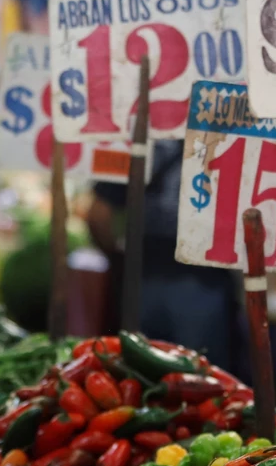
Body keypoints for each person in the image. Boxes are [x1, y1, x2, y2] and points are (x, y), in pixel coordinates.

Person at [87, 137, 247, 377]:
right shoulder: (229, 136)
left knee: (141, 381)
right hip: (203, 286)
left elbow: (98, 214)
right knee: (203, 385)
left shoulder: (138, 135)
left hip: (142, 282)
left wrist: (118, 258)